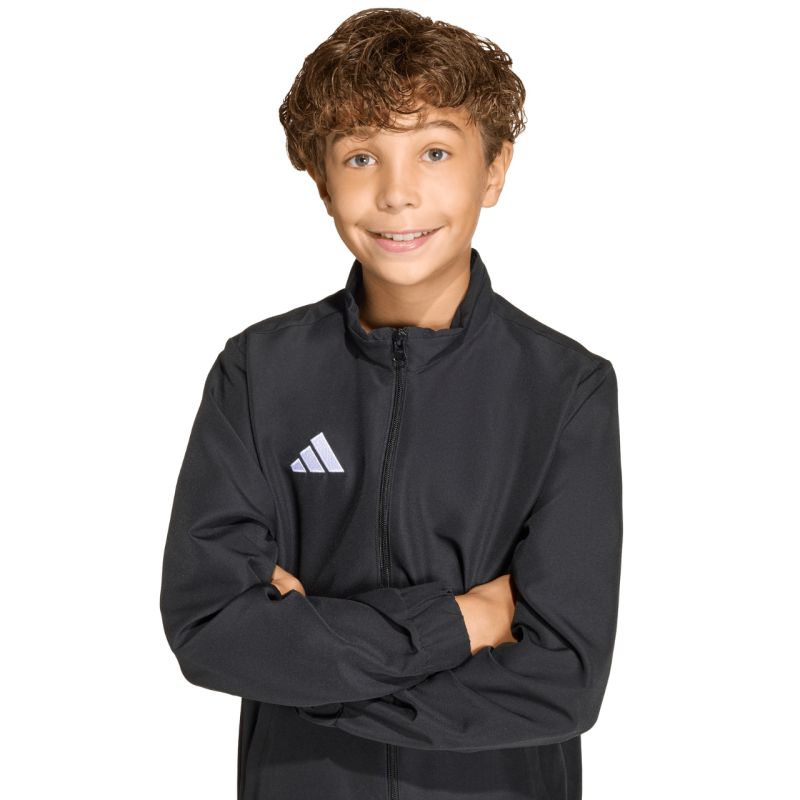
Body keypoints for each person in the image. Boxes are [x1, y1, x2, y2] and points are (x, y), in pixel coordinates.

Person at [159, 8, 623, 800]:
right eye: (361, 156)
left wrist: (307, 669)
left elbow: (562, 684)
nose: (398, 194)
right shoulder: (258, 373)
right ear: (321, 179)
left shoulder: (564, 388)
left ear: (495, 170)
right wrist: (464, 622)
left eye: (435, 152)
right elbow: (211, 630)